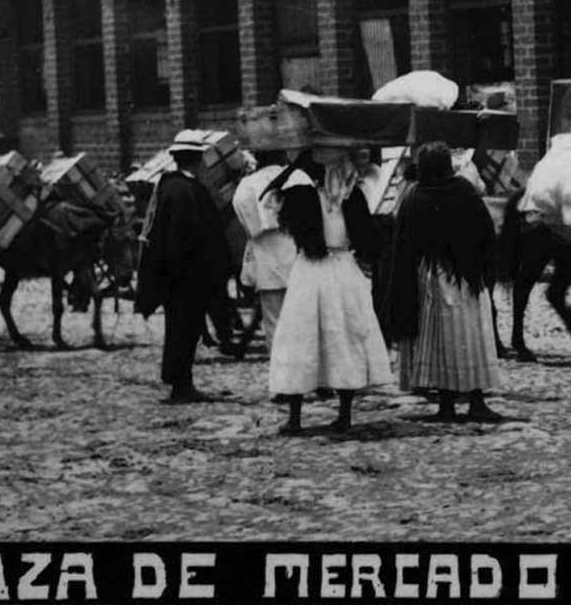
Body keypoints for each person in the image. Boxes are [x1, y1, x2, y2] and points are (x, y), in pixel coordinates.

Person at [267, 159, 395, 435]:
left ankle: (295, 417)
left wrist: (293, 165)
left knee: (300, 340)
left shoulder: (300, 198)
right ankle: (344, 414)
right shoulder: (353, 198)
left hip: (310, 272)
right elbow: (368, 241)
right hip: (343, 270)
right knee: (344, 339)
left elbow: (269, 198)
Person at [385, 141, 504, 423]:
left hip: (432, 278)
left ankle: (447, 404)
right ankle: (476, 400)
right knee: (471, 338)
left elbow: (403, 245)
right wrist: (484, 270)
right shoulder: (463, 191)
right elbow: (486, 234)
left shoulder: (414, 197)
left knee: (441, 340)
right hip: (465, 279)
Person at [136, 130, 233, 404]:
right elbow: (185, 237)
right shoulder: (186, 191)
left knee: (180, 328)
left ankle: (180, 381)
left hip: (175, 275)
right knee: (184, 330)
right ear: (199, 159)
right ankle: (181, 385)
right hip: (187, 275)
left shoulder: (169, 186)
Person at [233, 151, 293, 346]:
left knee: (273, 320)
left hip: (266, 259)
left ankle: (277, 365)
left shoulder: (246, 185)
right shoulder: (293, 177)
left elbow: (243, 215)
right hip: (294, 253)